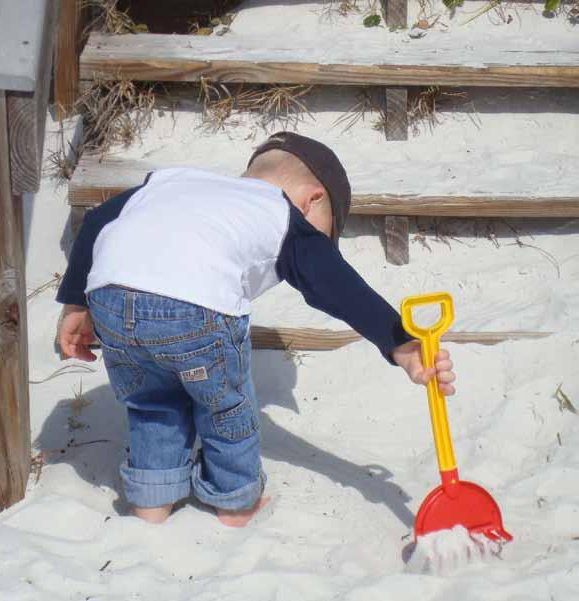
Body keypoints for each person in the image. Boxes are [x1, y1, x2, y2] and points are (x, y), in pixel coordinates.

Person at [56, 132, 456, 528]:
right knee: (225, 406)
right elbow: (337, 287)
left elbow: (96, 222)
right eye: (325, 233)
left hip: (110, 297)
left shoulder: (173, 181)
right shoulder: (283, 214)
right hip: (193, 308)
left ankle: (151, 504)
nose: (318, 245)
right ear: (312, 198)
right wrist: (400, 342)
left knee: (153, 402)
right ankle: (235, 503)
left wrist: (76, 303)